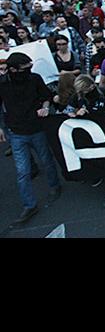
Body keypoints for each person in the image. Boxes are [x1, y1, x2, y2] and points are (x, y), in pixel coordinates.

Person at [0, 52, 62, 229]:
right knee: (22, 172)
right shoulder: (2, 84)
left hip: (37, 129)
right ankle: (29, 205)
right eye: (25, 69)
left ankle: (54, 185)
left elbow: (46, 97)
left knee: (46, 160)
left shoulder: (34, 79)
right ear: (13, 70)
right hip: (16, 132)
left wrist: (45, 107)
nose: (29, 71)